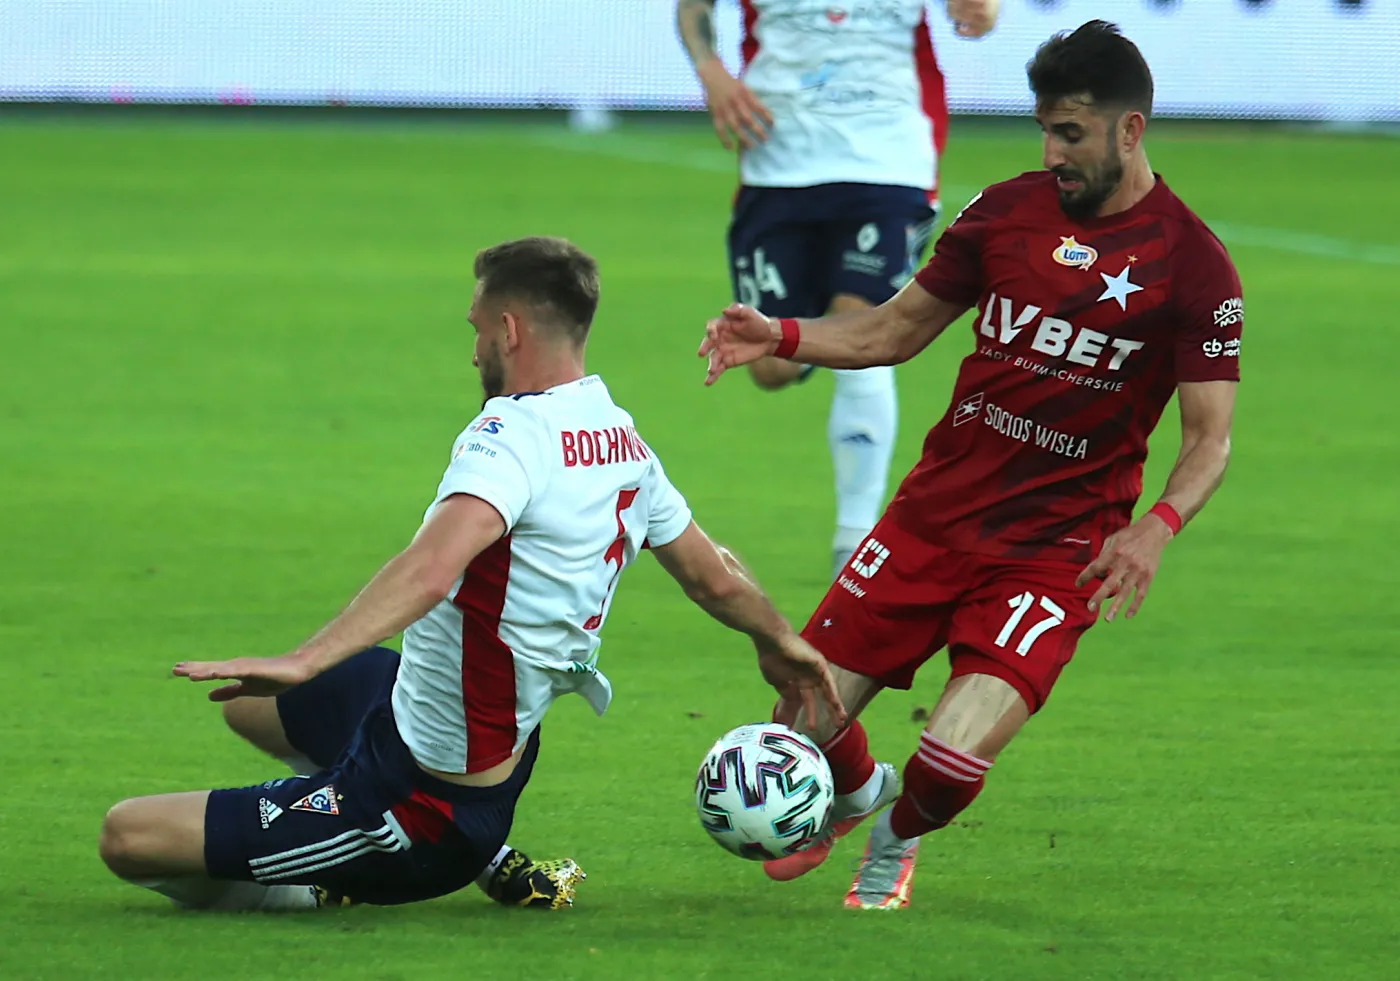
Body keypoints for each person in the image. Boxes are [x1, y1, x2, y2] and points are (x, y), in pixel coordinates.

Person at [98, 236, 843, 913]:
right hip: (431, 727)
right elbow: (714, 576)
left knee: (127, 837)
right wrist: (777, 639)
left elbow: (429, 569)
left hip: (419, 807)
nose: (474, 348)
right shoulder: (620, 437)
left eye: (477, 329)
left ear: (509, 330)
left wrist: (304, 657)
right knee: (248, 709)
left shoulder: (508, 438)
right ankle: (458, 847)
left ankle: (325, 878)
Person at [698, 20, 1244, 909]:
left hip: (1055, 549)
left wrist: (1156, 526)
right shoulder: (1002, 213)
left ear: (1129, 130)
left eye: (1070, 133)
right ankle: (863, 789)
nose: (1051, 152)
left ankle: (895, 832)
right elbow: (891, 329)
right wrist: (783, 333)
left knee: (950, 760)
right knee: (798, 718)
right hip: (930, 520)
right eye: (1045, 130)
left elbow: (1209, 439)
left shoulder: (1194, 268)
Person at [676, 0, 1000, 577]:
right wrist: (711, 70)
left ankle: (853, 548)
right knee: (770, 366)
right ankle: (826, 335)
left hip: (889, 159)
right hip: (777, 159)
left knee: (864, 329)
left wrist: (980, 10)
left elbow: (981, 12)